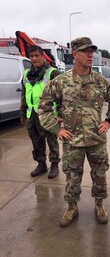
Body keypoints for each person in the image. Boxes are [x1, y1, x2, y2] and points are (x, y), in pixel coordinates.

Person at [38, 37, 110, 227]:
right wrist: (57, 129)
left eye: (92, 51)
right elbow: (43, 107)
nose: (90, 55)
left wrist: (108, 121)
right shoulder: (61, 82)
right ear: (75, 54)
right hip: (73, 140)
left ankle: (99, 205)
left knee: (99, 174)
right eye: (86, 51)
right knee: (72, 177)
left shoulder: (100, 81)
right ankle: (72, 207)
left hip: (96, 139)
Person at [20, 45, 61, 179]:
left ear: (43, 56)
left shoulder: (52, 73)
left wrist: (60, 114)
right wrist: (23, 111)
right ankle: (41, 164)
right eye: (31, 56)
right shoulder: (27, 73)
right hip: (32, 114)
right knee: (36, 141)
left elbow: (62, 95)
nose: (34, 58)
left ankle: (54, 165)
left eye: (37, 55)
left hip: (48, 114)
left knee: (51, 140)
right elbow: (25, 93)